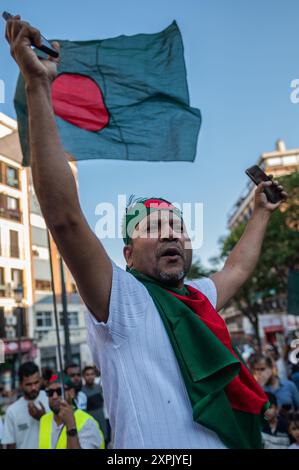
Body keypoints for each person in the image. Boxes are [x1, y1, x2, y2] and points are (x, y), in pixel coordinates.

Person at [4, 15, 288, 449]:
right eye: (154, 228)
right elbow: (64, 217)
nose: (171, 234)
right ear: (128, 255)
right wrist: (38, 84)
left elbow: (236, 269)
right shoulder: (122, 299)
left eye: (177, 227)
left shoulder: (195, 300)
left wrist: (262, 213)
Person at [39, 373, 104, 449]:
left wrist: (70, 426)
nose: (54, 396)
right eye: (50, 392)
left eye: (59, 391)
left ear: (72, 393)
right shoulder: (44, 419)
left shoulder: (87, 423)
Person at [1, 362, 49, 449]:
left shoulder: (51, 399)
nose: (33, 387)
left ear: (41, 380)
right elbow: (10, 444)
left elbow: (62, 431)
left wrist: (44, 419)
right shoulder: (12, 411)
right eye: (29, 384)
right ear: (21, 385)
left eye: (36, 382)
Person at [82, 366, 108, 444]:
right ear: (83, 376)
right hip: (90, 427)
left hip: (102, 424)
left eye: (92, 374)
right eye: (87, 374)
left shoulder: (100, 388)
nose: (90, 377)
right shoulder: (81, 391)